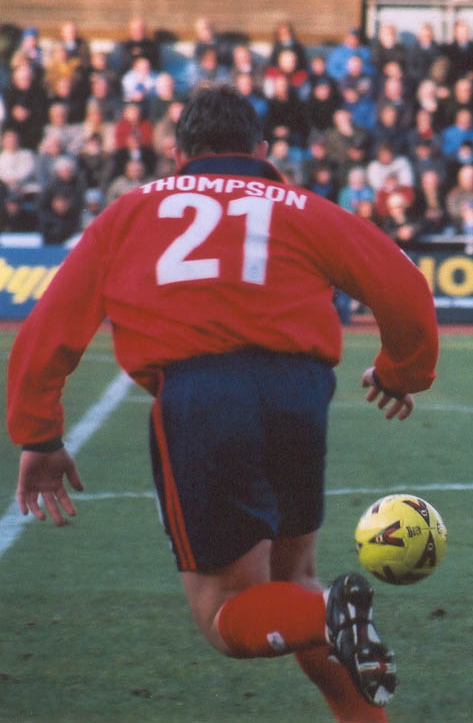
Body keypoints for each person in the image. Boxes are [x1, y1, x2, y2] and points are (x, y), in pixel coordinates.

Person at [6, 84, 440, 722]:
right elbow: (404, 287)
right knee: (294, 578)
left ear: (176, 153)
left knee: (224, 611)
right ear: (261, 150)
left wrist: (39, 435)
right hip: (299, 391)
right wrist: (403, 371)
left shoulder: (130, 211)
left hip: (203, 396)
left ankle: (328, 615)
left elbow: (51, 327)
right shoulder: (302, 206)